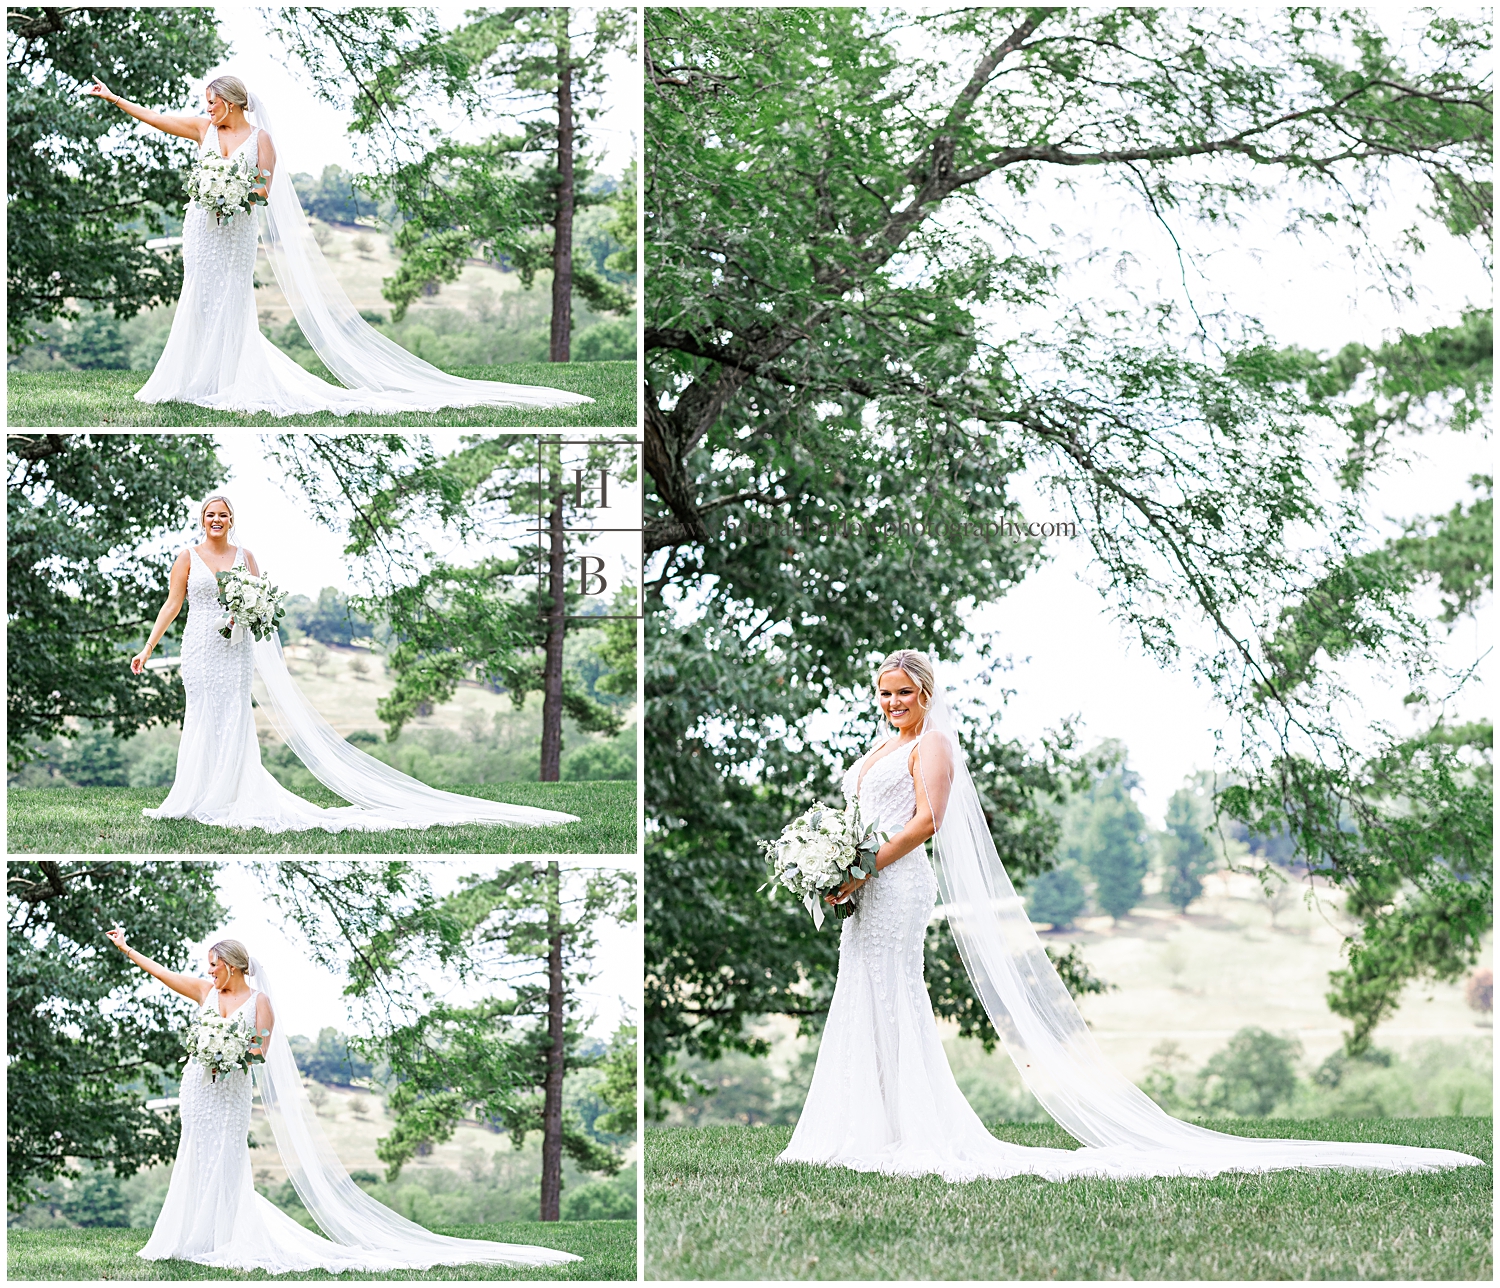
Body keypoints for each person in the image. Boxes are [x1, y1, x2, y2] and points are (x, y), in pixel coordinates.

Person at [777, 648, 1485, 1180]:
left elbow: (929, 819)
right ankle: (860, 1125)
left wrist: (869, 864)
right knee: (858, 991)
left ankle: (909, 1130)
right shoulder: (882, 746)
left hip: (899, 887)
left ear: (926, 694)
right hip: (868, 887)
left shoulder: (933, 744)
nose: (892, 703)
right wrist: (839, 866)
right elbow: (860, 818)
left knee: (895, 994)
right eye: (883, 694)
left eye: (902, 693)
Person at [83, 73, 594, 417]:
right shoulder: (202, 130)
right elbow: (152, 117)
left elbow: (262, 188)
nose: (206, 109)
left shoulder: (261, 140)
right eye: (205, 105)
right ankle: (192, 379)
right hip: (202, 229)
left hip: (236, 230)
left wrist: (236, 193)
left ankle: (226, 380)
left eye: (212, 102)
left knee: (232, 302)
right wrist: (113, 98)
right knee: (199, 297)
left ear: (235, 102)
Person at [104, 931, 580, 1272]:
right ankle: (189, 1236)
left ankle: (222, 1238)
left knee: (227, 1160)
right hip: (197, 1089)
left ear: (233, 964)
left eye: (213, 964)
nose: (207, 971)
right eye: (207, 966)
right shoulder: (206, 992)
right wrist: (128, 950)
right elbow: (162, 974)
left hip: (229, 1092)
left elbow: (261, 1050)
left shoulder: (259, 1002)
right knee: (196, 1156)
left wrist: (231, 1055)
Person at [130, 493, 579, 834]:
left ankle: (228, 794)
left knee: (233, 716)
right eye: (210, 514)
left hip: (237, 648)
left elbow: (261, 601)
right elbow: (172, 604)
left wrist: (248, 611)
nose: (216, 520)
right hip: (200, 648)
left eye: (223, 514)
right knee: (202, 716)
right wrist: (148, 649)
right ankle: (197, 793)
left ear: (232, 520)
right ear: (202, 520)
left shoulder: (245, 557)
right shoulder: (187, 556)